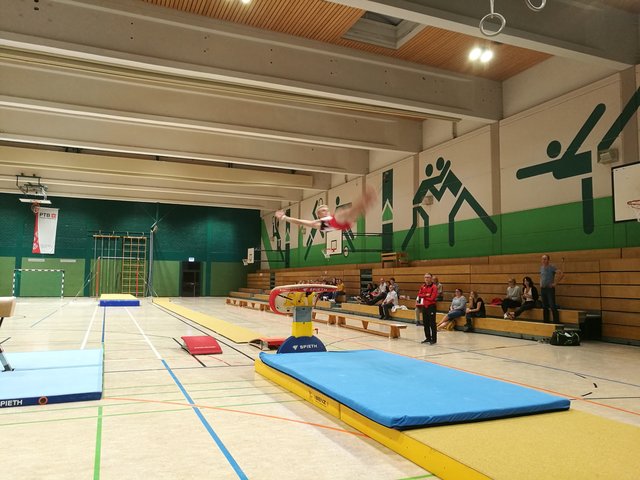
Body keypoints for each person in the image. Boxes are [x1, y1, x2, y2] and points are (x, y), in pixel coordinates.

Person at [275, 185, 376, 233]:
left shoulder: (330, 217)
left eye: (327, 209)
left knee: (352, 212)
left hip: (343, 223)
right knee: (342, 213)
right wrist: (284, 217)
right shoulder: (319, 224)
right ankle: (365, 201)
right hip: (336, 223)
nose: (326, 211)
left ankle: (365, 204)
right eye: (323, 210)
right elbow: (300, 222)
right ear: (318, 214)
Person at [540, 254, 564, 324]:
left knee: (552, 305)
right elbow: (541, 276)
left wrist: (555, 283)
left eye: (545, 259)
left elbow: (561, 274)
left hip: (549, 289)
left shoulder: (551, 267)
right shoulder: (541, 268)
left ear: (548, 260)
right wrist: (540, 283)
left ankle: (556, 321)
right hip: (543, 289)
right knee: (544, 306)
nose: (543, 260)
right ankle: (546, 321)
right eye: (542, 259)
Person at [416, 273, 438, 344]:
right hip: (424, 306)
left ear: (431, 278)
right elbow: (419, 295)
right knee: (425, 323)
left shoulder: (434, 287)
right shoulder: (423, 286)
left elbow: (432, 298)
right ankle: (428, 338)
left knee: (432, 323)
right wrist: (426, 295)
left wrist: (424, 296)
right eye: (425, 277)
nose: (426, 279)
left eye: (428, 277)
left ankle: (433, 339)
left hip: (431, 307)